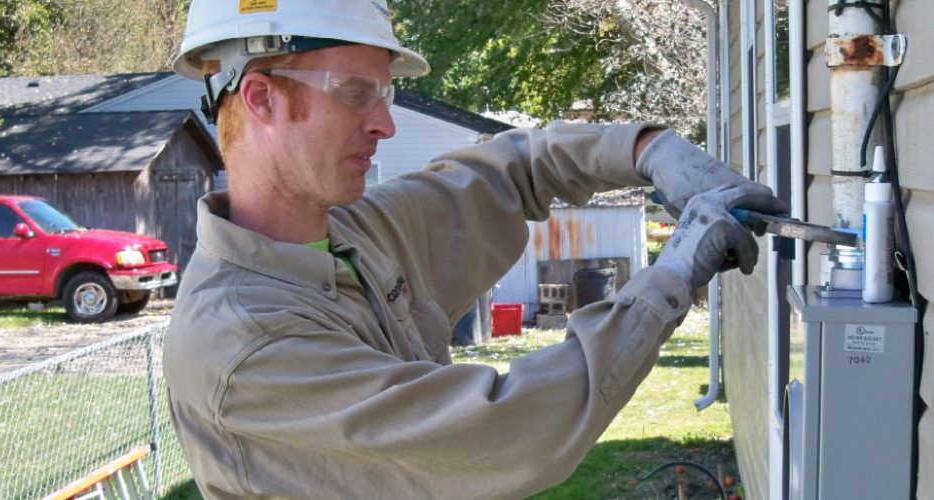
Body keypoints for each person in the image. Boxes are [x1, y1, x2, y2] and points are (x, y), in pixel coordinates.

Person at [162, 1, 785, 498]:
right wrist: (671, 275)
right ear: (264, 99)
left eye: (386, 94)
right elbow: (507, 430)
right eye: (356, 93)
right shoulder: (244, 347)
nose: (385, 124)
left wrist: (646, 150)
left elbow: (507, 173)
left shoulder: (351, 236)